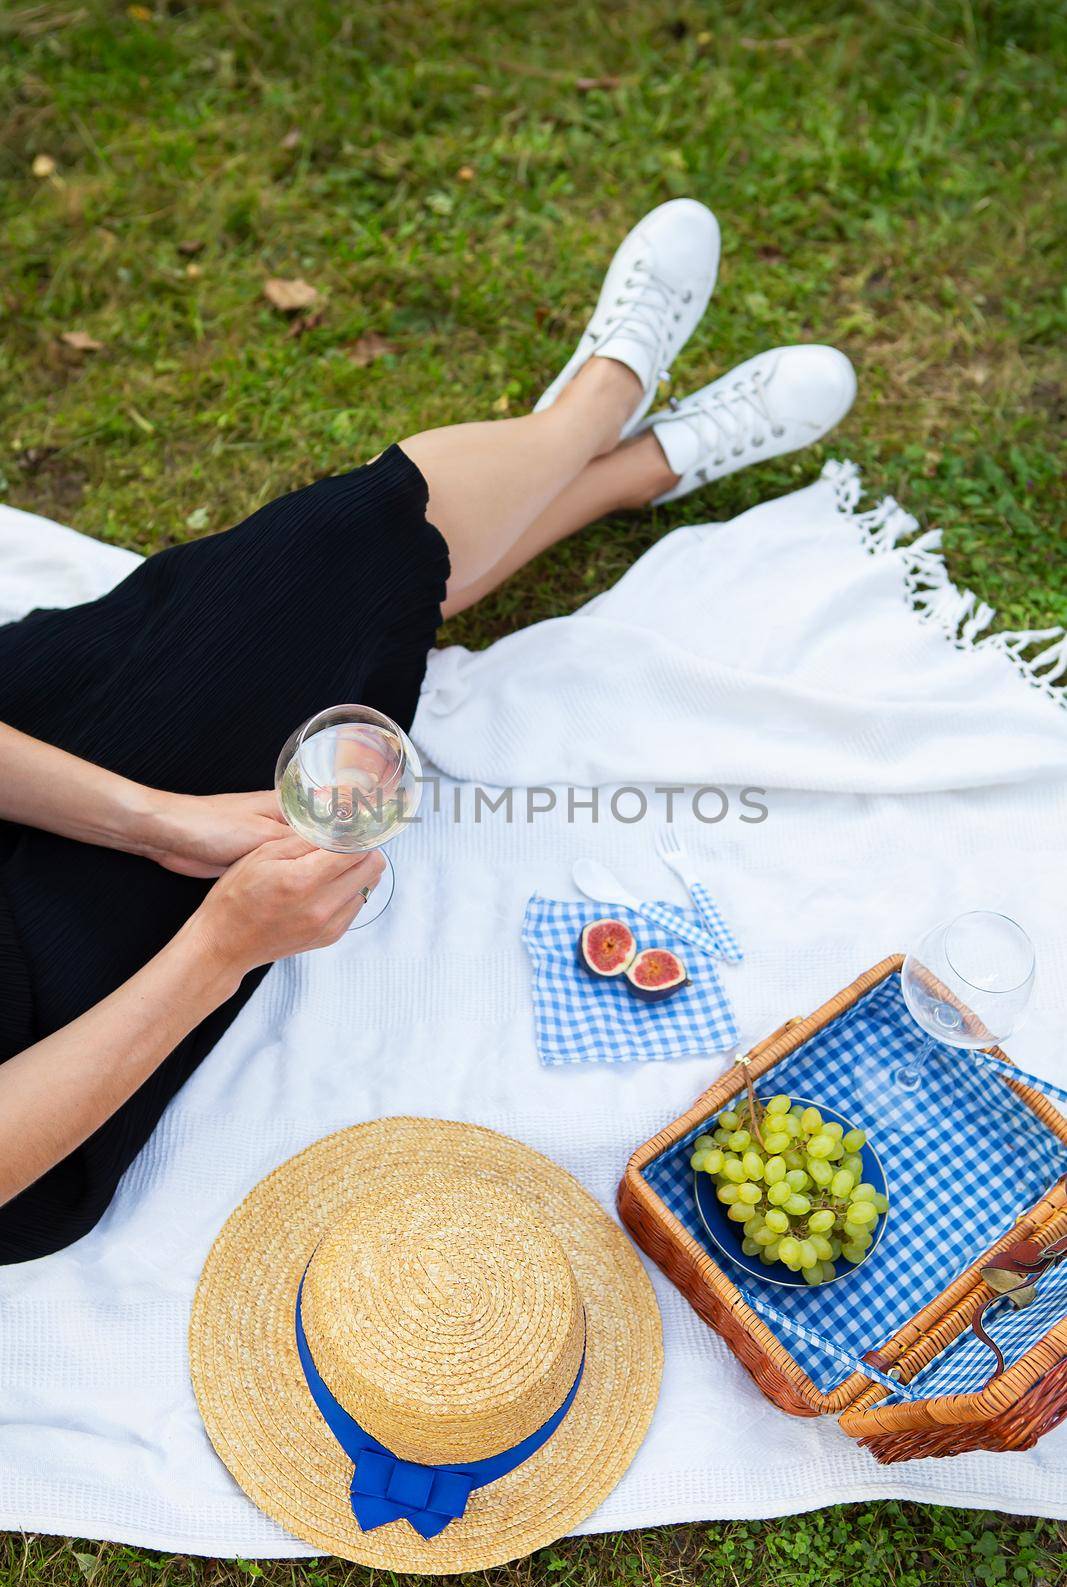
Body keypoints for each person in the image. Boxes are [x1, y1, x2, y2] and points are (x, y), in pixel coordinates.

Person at [0, 199, 855, 1262]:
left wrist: (149, 818)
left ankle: (590, 415)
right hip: (37, 1058)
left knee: (308, 568)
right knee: (342, 578)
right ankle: (621, 459)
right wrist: (221, 949)